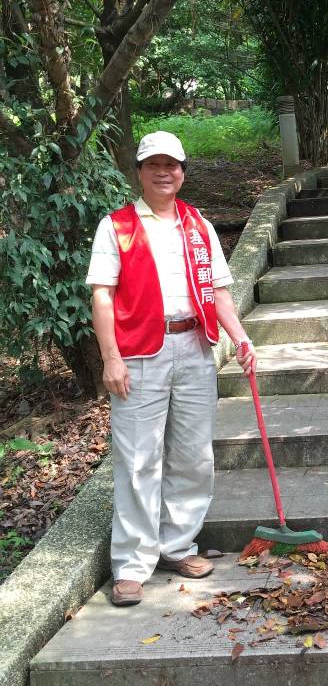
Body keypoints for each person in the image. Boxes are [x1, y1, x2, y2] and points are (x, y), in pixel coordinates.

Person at [87, 131, 255, 606]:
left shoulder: (197, 223)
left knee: (192, 454)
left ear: (183, 170)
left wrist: (241, 338)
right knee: (139, 458)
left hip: (195, 348)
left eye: (173, 164)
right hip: (139, 352)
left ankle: (178, 544)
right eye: (153, 164)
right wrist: (110, 357)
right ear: (139, 172)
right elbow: (101, 294)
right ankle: (132, 565)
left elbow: (219, 290)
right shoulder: (115, 226)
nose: (165, 172)